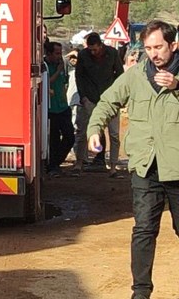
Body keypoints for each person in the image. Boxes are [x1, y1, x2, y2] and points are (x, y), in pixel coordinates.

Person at [87, 20, 179, 299]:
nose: (154, 54)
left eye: (159, 47)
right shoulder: (136, 76)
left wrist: (177, 86)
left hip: (177, 168)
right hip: (144, 166)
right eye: (148, 48)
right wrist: (94, 129)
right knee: (143, 230)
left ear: (173, 46)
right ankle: (141, 292)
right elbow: (107, 102)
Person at [75, 32, 124, 172]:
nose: (93, 52)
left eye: (95, 49)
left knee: (114, 134)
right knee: (84, 131)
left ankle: (113, 166)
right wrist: (83, 96)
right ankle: (79, 162)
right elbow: (79, 76)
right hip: (90, 98)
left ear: (101, 45)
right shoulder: (83, 55)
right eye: (90, 49)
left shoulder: (113, 53)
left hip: (111, 99)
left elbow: (120, 76)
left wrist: (119, 97)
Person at [45, 41, 74, 175]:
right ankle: (53, 166)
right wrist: (58, 71)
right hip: (51, 110)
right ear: (49, 53)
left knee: (69, 137)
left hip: (63, 108)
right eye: (56, 53)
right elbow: (47, 81)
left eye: (60, 53)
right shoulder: (45, 66)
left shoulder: (62, 66)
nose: (59, 56)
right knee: (54, 140)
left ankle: (56, 162)